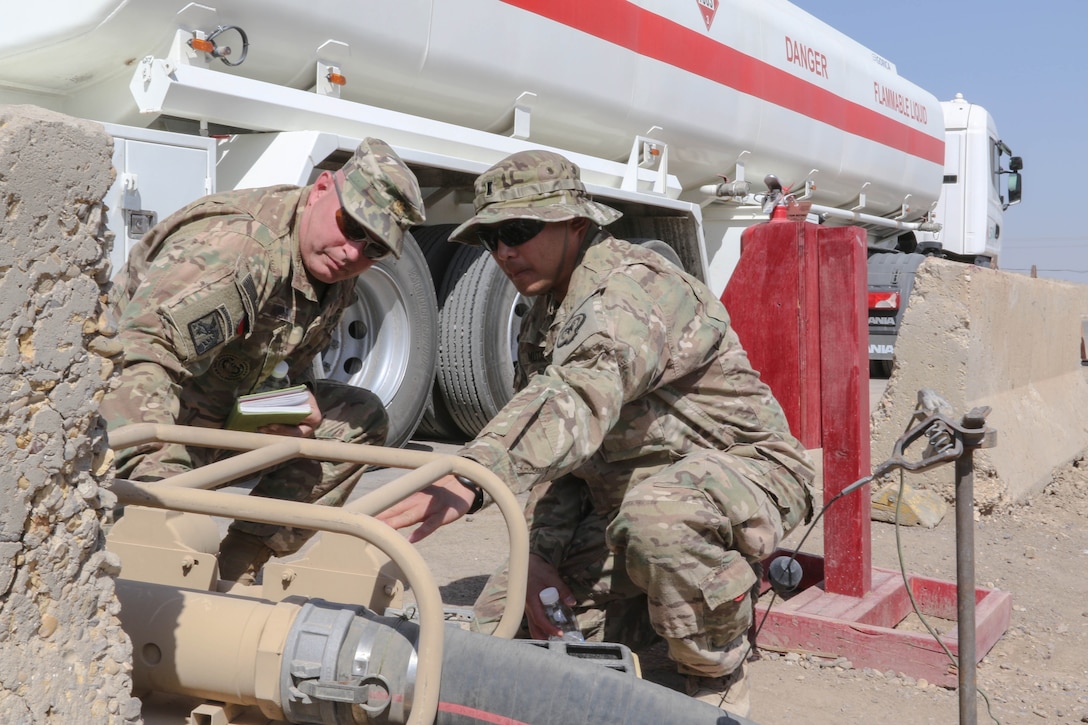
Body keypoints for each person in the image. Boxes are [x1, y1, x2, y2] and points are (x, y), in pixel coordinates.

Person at [377, 149, 815, 717]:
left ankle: (715, 674)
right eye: (492, 239)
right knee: (503, 631)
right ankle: (652, 609)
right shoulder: (548, 313)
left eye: (519, 229)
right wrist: (534, 558)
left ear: (576, 224)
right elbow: (558, 460)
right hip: (620, 498)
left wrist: (473, 476)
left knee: (662, 520)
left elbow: (576, 397)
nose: (505, 251)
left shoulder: (629, 292)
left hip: (740, 476)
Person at [102, 137, 425, 584]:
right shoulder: (242, 249)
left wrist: (285, 405)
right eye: (352, 227)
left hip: (213, 417)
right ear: (321, 188)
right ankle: (161, 563)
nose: (354, 252)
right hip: (129, 425)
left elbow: (272, 366)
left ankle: (235, 567)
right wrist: (163, 489)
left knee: (357, 420)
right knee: (164, 539)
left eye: (374, 248)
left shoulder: (329, 267)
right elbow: (139, 354)